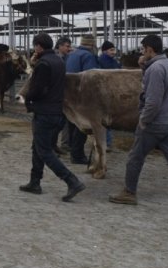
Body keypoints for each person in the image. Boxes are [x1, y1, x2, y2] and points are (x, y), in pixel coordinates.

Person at [109, 34, 168, 214]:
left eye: (143, 49)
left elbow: (153, 101)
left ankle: (129, 192)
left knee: (135, 157)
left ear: (150, 49)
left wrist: (143, 121)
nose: (142, 52)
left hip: (153, 123)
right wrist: (144, 67)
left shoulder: (156, 69)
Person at [20, 33, 86, 202]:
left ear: (39, 47)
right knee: (37, 147)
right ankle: (35, 182)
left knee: (45, 151)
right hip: (57, 110)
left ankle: (72, 181)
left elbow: (38, 88)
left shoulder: (44, 63)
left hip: (44, 112)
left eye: (35, 46)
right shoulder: (59, 61)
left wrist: (27, 97)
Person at [64, 34, 99, 164]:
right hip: (81, 95)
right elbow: (90, 76)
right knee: (82, 126)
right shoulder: (88, 56)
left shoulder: (71, 54)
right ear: (91, 45)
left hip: (69, 94)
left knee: (72, 123)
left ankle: (73, 150)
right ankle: (77, 155)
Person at [98, 40, 121, 150]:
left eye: (114, 49)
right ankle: (106, 143)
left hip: (111, 92)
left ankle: (107, 142)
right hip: (105, 92)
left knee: (107, 117)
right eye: (111, 50)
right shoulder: (103, 60)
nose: (114, 52)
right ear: (104, 51)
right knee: (105, 117)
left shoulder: (111, 60)